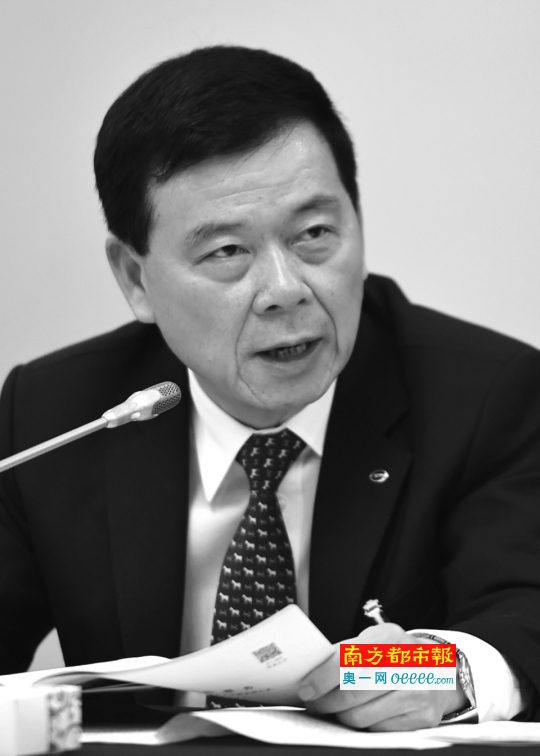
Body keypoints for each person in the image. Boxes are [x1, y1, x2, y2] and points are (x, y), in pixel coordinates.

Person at [1, 45, 539, 731]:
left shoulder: (485, 395)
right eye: (227, 251)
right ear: (136, 279)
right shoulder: (55, 415)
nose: (286, 290)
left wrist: (432, 673)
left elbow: (525, 610)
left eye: (314, 233)